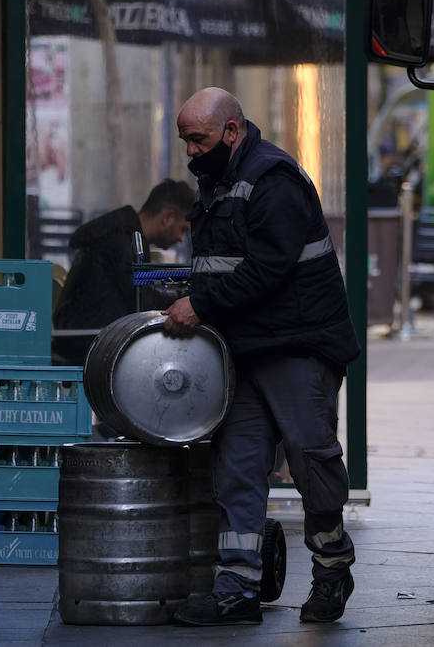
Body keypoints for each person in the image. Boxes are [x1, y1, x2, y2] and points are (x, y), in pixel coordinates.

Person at [163, 88, 360, 627]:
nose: (190, 152)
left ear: (231, 131)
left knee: (310, 460)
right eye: (184, 141)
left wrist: (199, 305)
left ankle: (331, 567)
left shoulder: (274, 179)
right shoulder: (218, 182)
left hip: (297, 346)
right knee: (238, 469)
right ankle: (237, 588)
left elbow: (268, 269)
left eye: (197, 139)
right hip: (247, 349)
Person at [51, 179, 195, 332]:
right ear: (168, 218)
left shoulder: (123, 234)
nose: (180, 239)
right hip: (85, 340)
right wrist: (188, 299)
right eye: (183, 230)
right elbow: (143, 300)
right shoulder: (122, 241)